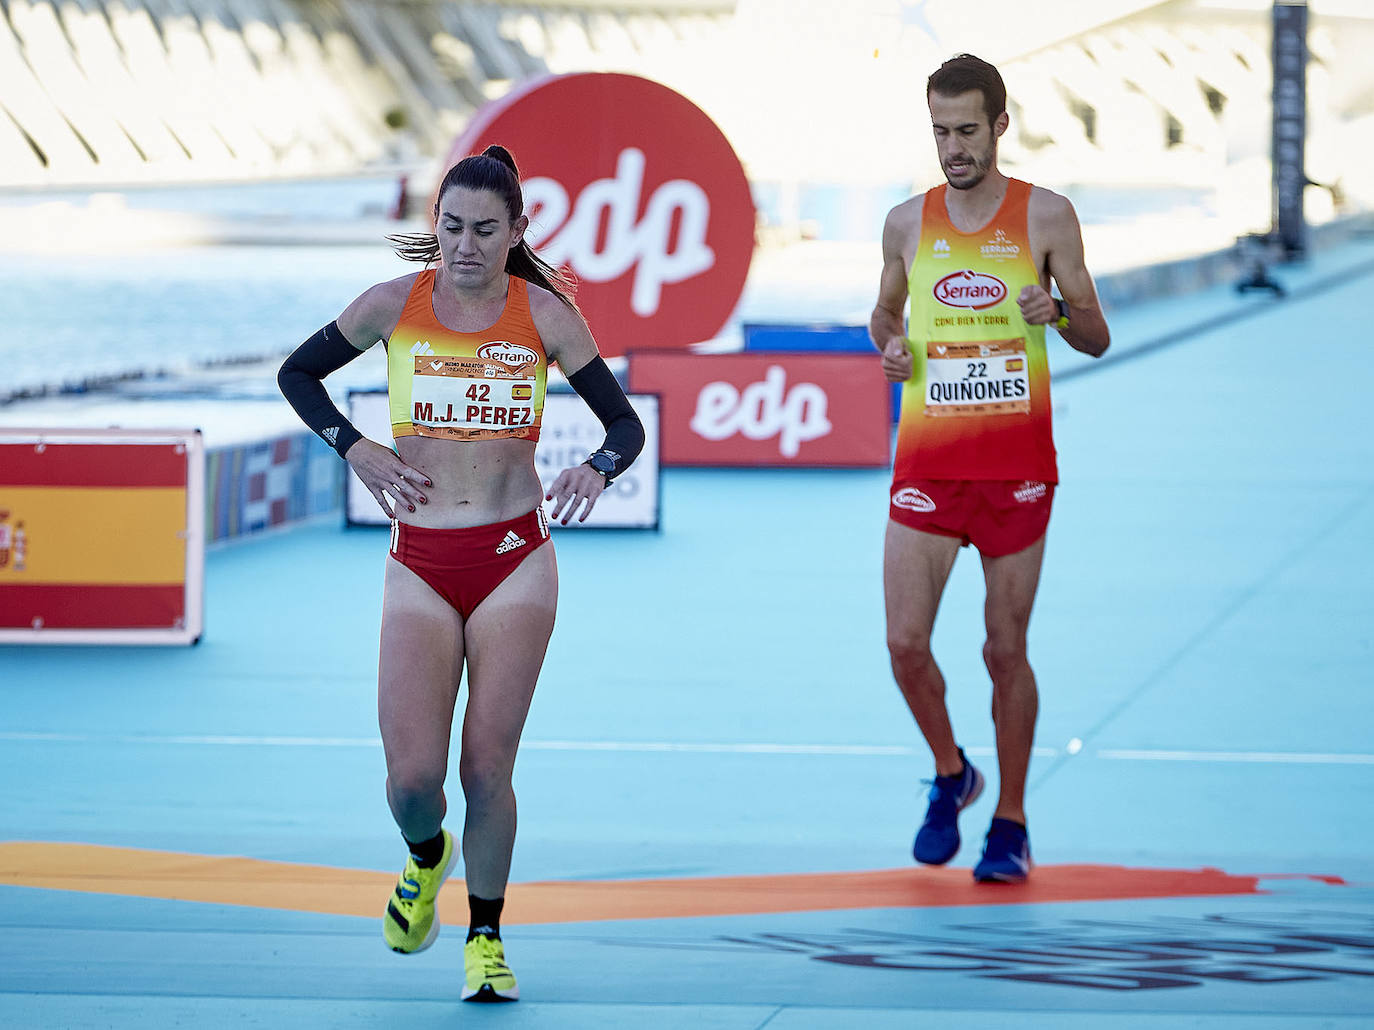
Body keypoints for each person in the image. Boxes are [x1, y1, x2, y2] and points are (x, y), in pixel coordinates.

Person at [277, 145, 644, 1000]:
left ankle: (485, 933)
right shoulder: (389, 304)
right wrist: (356, 446)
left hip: (516, 560)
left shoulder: (546, 316)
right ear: (432, 223)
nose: (465, 246)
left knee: (486, 768)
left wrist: (596, 468)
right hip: (419, 563)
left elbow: (623, 425)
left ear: (518, 230)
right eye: (450, 227)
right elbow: (298, 375)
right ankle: (423, 855)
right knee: (413, 783)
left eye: (485, 230)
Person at [869, 55, 1110, 883]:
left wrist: (1062, 310)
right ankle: (951, 772)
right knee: (905, 644)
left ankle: (1009, 819)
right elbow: (883, 313)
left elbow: (1097, 335)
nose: (953, 147)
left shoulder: (1046, 216)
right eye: (940, 131)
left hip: (1016, 466)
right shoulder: (907, 222)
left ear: (1000, 125)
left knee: (1003, 649)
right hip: (929, 463)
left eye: (967, 130)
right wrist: (891, 349)